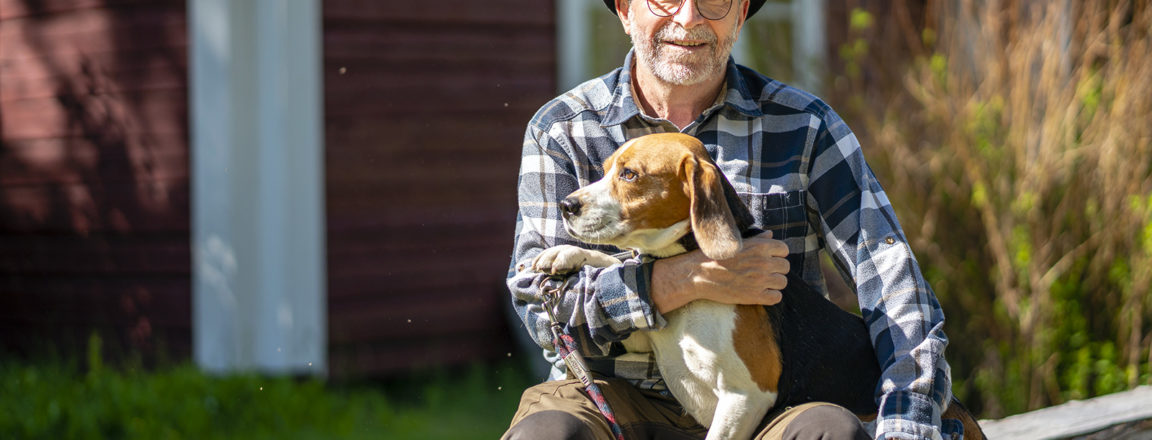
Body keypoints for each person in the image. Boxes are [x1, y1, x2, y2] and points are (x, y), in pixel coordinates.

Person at [504, 0, 956, 438]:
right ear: (624, 10)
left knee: (830, 431)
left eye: (715, 1)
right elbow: (540, 308)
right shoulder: (562, 129)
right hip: (610, 396)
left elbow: (896, 291)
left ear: (740, 14)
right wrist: (681, 280)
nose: (689, 16)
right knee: (547, 433)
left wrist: (907, 422)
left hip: (769, 407)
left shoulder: (806, 127)